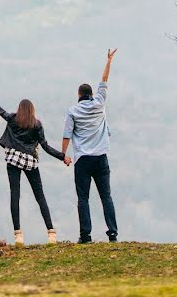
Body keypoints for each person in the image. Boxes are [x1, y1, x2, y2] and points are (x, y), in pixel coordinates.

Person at [0, 79, 71, 245]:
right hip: (30, 162)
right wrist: (62, 156)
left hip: (13, 160)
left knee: (14, 195)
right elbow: (45, 146)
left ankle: (18, 235)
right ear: (32, 111)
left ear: (20, 109)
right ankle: (51, 233)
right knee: (40, 196)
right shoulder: (36, 125)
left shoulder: (13, 119)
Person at [62, 49, 119, 243]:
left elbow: (66, 136)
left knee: (83, 198)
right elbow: (104, 81)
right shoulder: (100, 103)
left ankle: (85, 236)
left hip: (83, 160)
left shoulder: (72, 111)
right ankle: (112, 233)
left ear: (78, 95)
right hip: (101, 157)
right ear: (91, 94)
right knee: (106, 196)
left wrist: (63, 156)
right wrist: (109, 61)